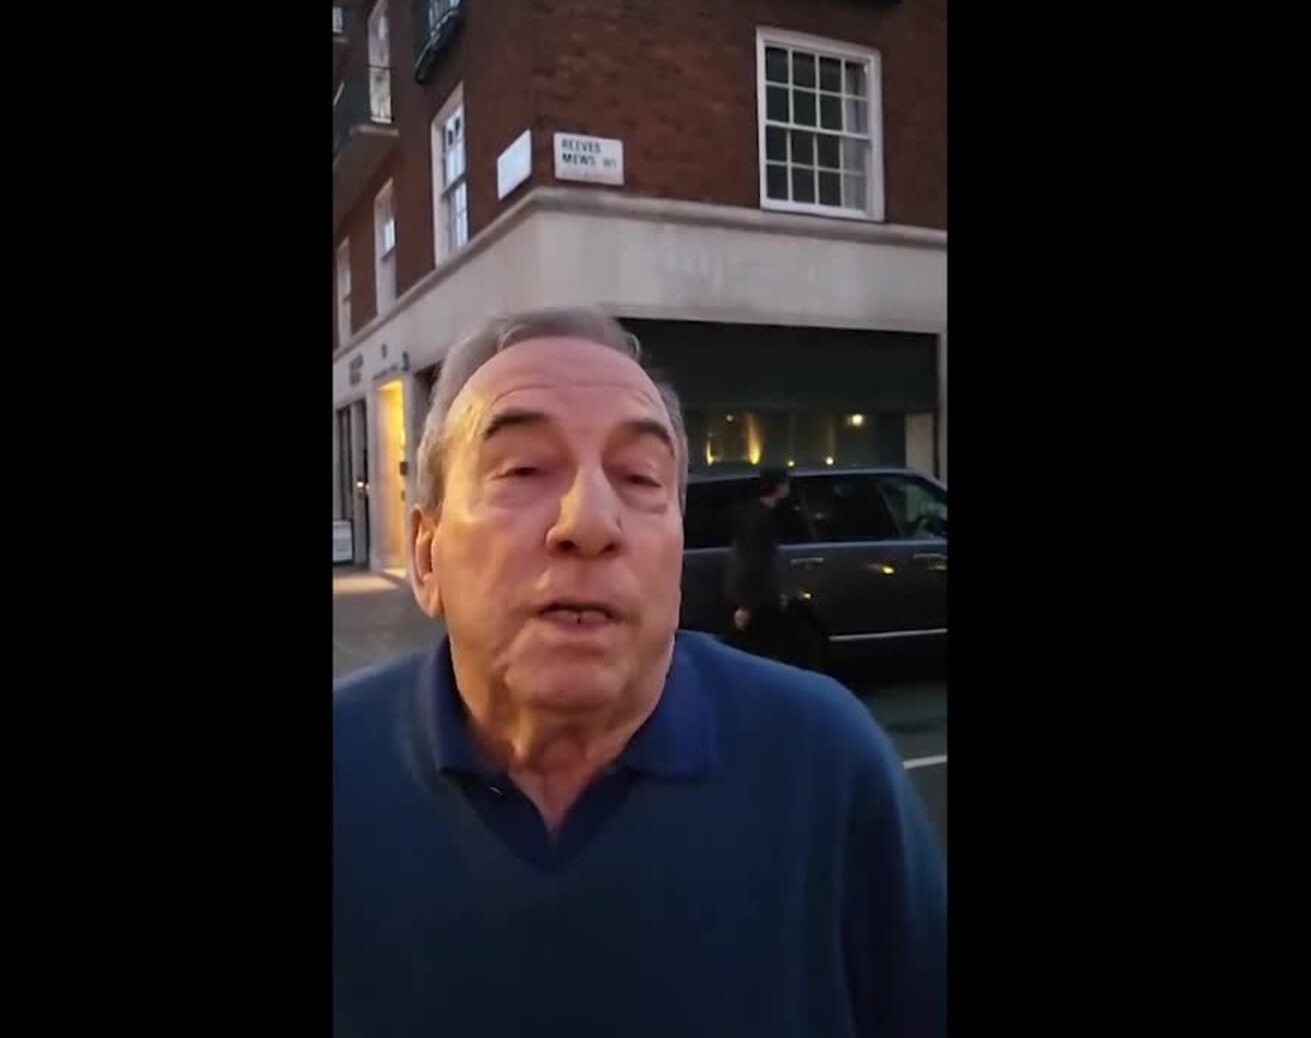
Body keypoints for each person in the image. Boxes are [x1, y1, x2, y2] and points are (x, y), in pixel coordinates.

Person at [333, 308, 946, 1038]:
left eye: (639, 476)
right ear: (426, 555)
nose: (590, 522)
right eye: (522, 469)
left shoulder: (828, 763)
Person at [724, 466, 802, 664]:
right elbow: (753, 560)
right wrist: (747, 605)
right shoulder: (760, 518)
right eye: (785, 483)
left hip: (760, 595)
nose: (788, 488)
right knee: (761, 649)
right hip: (759, 598)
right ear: (778, 487)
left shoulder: (757, 513)